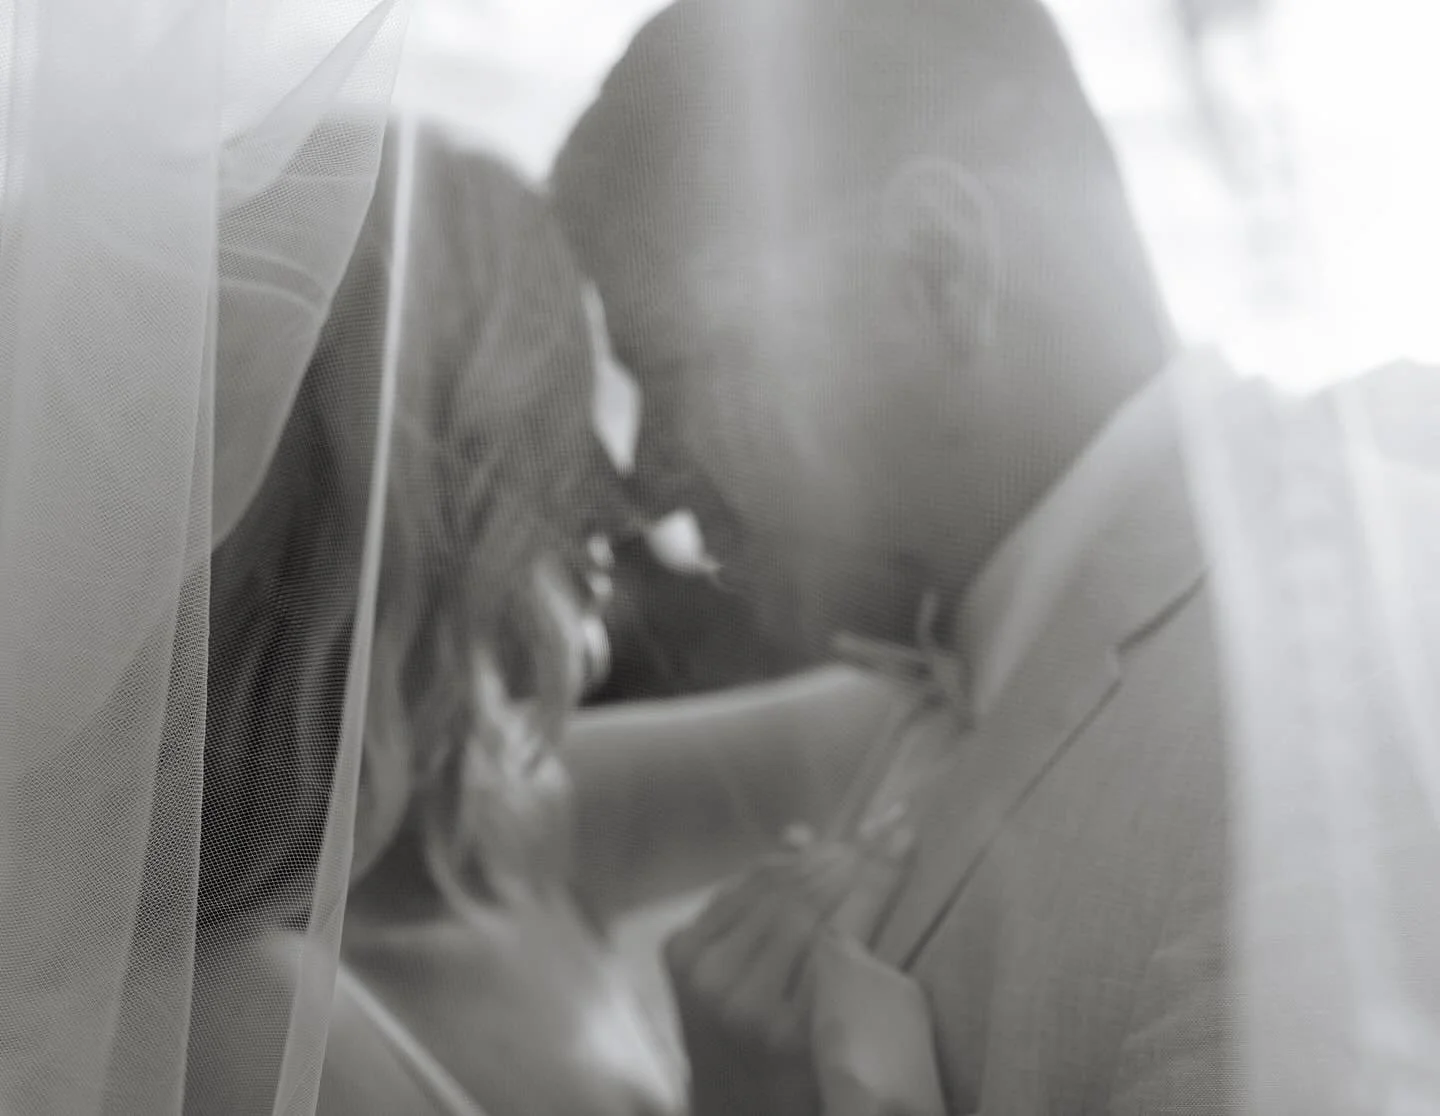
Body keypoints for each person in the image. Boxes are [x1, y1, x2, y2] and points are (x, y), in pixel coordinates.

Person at [549, 0, 1232, 1111]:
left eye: (675, 368)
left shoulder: (1299, 717)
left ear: (935, 267)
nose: (651, 481)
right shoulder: (974, 655)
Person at [190, 119, 685, 1116]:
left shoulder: (487, 816)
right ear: (419, 478)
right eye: (560, 408)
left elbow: (917, 695)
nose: (628, 497)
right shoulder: (236, 1023)